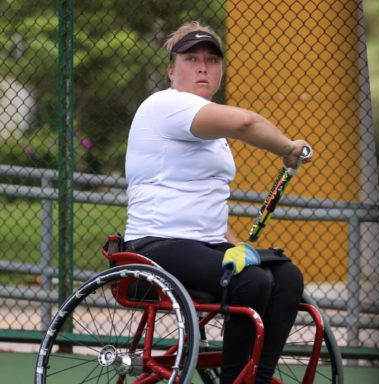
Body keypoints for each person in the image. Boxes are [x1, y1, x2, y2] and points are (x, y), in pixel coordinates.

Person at [124, 21, 312, 384]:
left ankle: (257, 377)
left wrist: (235, 243)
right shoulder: (167, 104)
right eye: (191, 58)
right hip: (153, 246)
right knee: (251, 281)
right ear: (170, 70)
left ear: (221, 70)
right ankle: (232, 380)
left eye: (211, 60)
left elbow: (203, 206)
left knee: (288, 277)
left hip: (203, 244)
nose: (202, 67)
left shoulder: (210, 130)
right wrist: (288, 148)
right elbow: (245, 122)